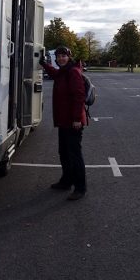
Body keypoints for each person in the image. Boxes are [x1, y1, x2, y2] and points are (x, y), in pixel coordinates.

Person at [39, 45, 88, 201]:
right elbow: (55, 74)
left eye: (63, 56)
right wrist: (44, 64)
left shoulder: (73, 72)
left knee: (74, 155)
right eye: (58, 56)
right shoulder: (63, 71)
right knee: (64, 153)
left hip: (73, 122)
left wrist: (76, 119)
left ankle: (80, 188)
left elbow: (79, 96)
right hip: (63, 121)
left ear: (69, 57)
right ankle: (66, 181)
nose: (60, 58)